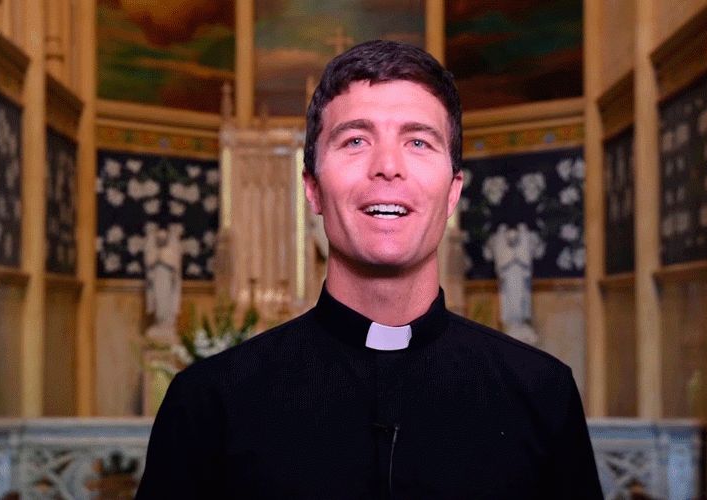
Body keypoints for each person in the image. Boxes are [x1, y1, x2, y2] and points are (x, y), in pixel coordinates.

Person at [136, 40, 603, 499]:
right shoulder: (207, 404)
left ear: (453, 192)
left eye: (418, 141)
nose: (387, 167)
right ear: (313, 190)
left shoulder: (542, 394)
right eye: (356, 140)